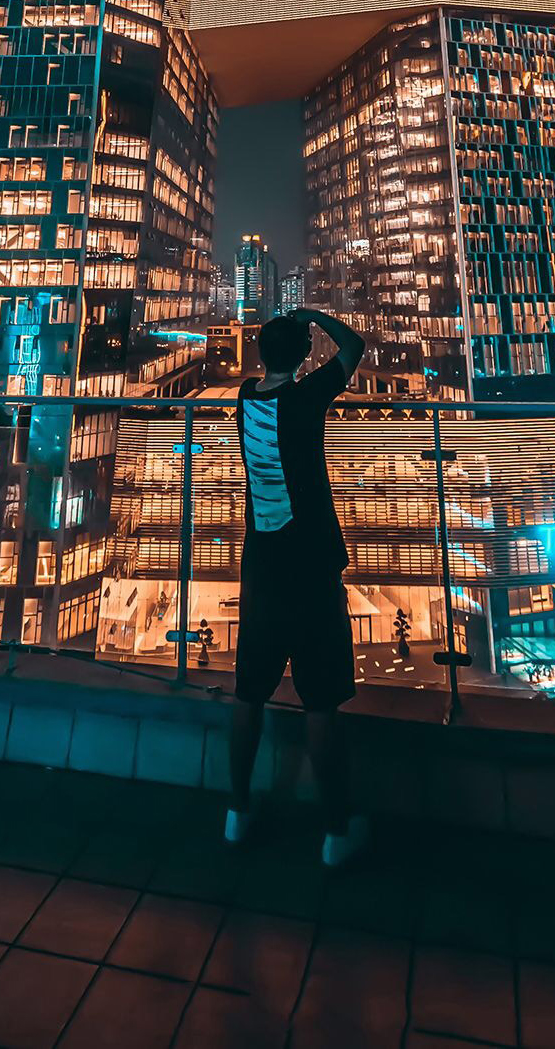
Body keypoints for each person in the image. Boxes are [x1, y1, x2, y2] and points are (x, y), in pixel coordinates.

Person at [226, 302, 369, 866]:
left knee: (248, 692)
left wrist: (293, 336)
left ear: (262, 354)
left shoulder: (246, 397)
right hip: (310, 566)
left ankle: (237, 811)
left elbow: (275, 373)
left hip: (262, 566)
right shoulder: (306, 398)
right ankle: (336, 832)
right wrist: (314, 313)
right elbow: (353, 347)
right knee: (321, 701)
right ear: (305, 355)